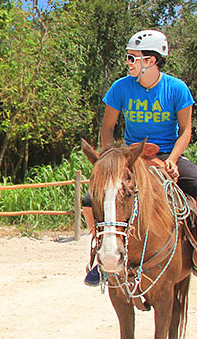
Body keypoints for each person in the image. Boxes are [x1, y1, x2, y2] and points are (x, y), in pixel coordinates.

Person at [83, 29, 196, 286]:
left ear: (151, 61)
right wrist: (110, 162)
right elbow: (108, 129)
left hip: (167, 153)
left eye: (133, 58)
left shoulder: (177, 89)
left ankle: (195, 250)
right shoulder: (119, 88)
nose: (128, 63)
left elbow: (186, 129)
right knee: (90, 200)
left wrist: (173, 159)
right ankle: (100, 254)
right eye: (128, 58)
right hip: (130, 157)